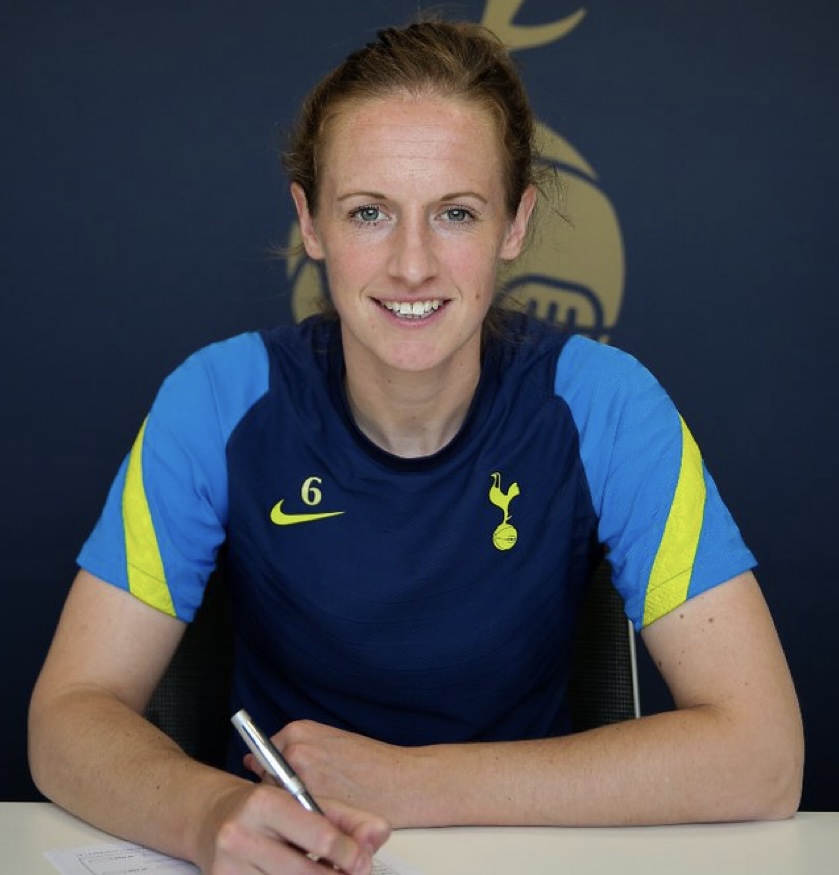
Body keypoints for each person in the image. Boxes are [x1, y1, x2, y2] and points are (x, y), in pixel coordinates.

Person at [29, 17, 803, 875]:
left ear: (514, 224)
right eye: (368, 212)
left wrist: (416, 782)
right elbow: (69, 713)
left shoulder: (604, 404)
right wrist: (211, 815)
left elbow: (763, 757)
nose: (410, 265)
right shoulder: (216, 400)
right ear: (310, 222)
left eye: (455, 214)